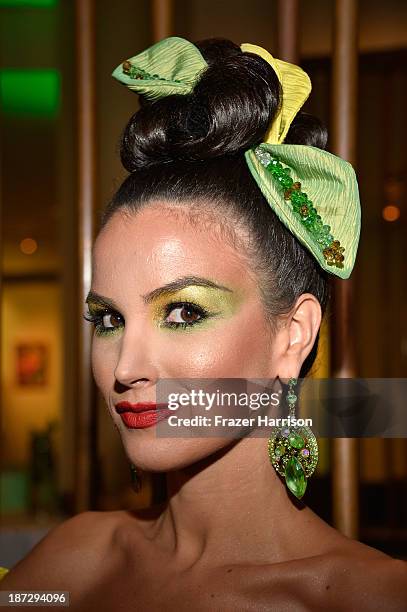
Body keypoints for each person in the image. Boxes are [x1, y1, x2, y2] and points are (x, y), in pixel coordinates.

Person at [1, 36, 406, 611]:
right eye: (109, 319)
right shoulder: (72, 565)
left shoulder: (375, 598)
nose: (127, 367)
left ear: (293, 335)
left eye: (183, 312)